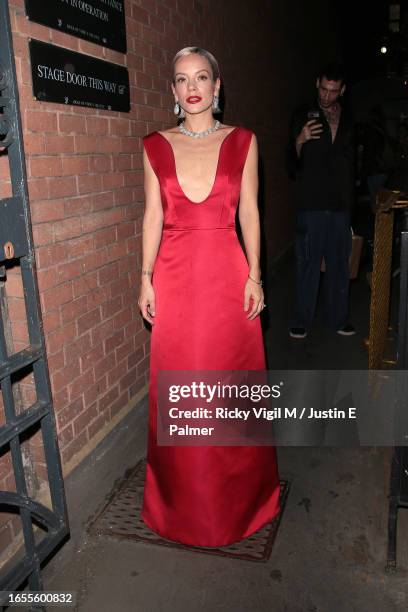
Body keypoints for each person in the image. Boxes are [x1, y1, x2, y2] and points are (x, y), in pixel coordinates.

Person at [138, 47, 280, 547]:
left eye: (201, 77)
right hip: (175, 280)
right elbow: (153, 216)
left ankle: (242, 500)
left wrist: (256, 275)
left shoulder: (243, 141)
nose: (192, 86)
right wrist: (145, 277)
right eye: (182, 79)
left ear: (217, 86)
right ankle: (180, 504)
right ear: (173, 92)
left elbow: (250, 214)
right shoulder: (154, 145)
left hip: (227, 275)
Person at [287, 61, 355, 339]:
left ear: (342, 90)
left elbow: (352, 162)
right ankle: (302, 319)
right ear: (317, 83)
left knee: (339, 265)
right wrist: (299, 140)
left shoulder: (350, 118)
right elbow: (289, 162)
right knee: (308, 265)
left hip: (340, 204)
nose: (327, 96)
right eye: (324, 89)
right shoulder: (303, 113)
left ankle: (338, 319)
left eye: (333, 91)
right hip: (311, 203)